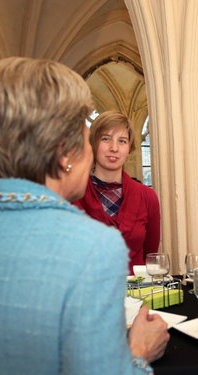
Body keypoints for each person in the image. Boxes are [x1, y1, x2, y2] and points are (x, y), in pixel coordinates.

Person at [0, 57, 168, 375]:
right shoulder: (92, 246)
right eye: (88, 136)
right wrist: (138, 353)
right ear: (65, 153)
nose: (94, 149)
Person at [73, 111, 160, 274]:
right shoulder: (73, 194)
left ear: (129, 148)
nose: (114, 148)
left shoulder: (147, 197)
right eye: (106, 139)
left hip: (137, 293)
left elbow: (151, 255)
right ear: (93, 144)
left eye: (122, 141)